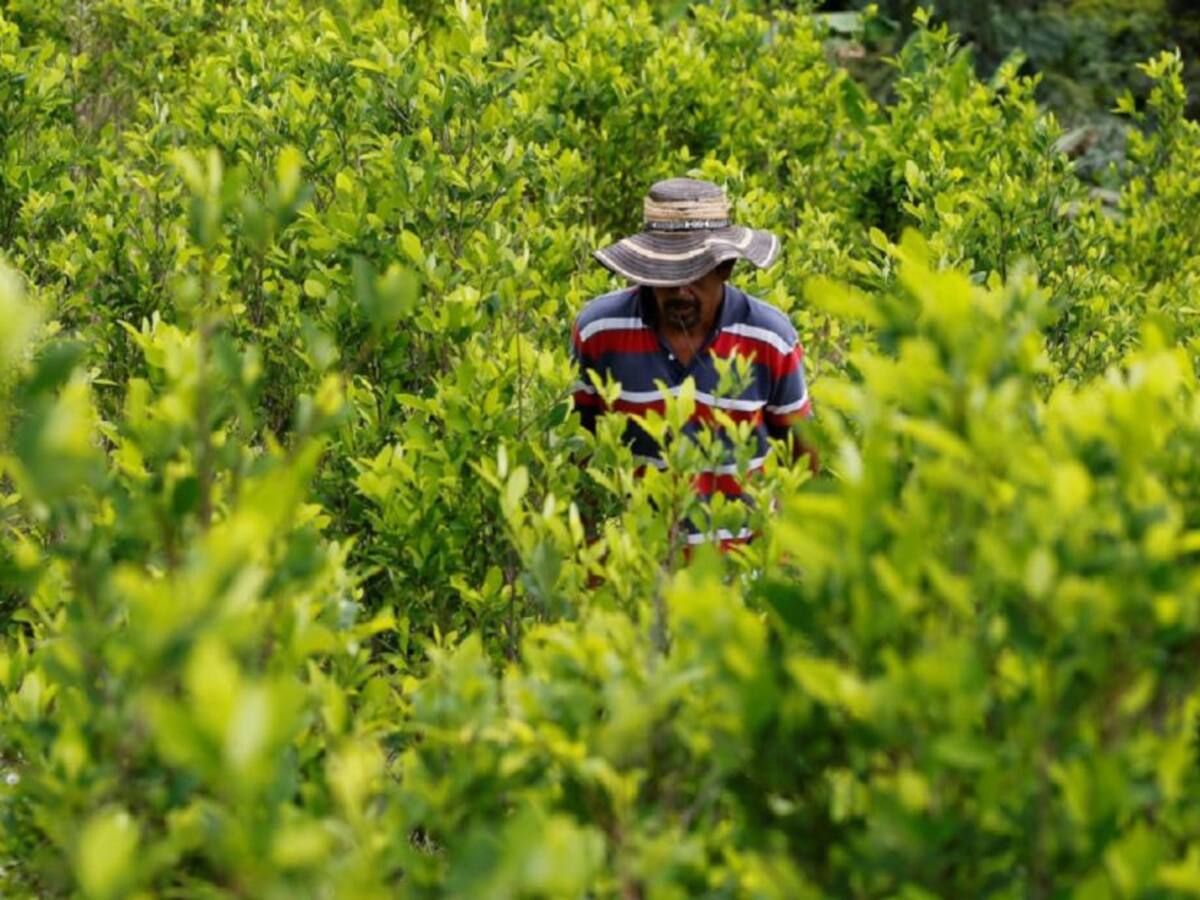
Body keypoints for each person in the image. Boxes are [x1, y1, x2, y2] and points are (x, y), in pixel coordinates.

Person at [571, 177, 816, 548]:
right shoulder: (600, 331)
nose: (680, 290)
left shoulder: (769, 338)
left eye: (695, 272)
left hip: (741, 574)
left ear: (725, 267)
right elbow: (581, 455)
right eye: (667, 274)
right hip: (635, 573)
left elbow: (803, 460)